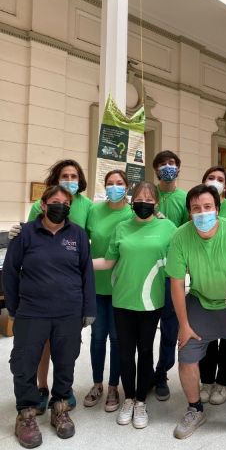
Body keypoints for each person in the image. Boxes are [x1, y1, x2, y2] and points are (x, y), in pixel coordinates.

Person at [166, 184, 226, 448]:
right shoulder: (180, 236)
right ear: (189, 212)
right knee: (186, 357)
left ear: (217, 210)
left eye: (208, 207)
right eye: (196, 208)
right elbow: (176, 283)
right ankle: (195, 409)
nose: (202, 213)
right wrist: (184, 325)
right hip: (200, 303)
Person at [3, 186, 96, 449]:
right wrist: (13, 306)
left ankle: (60, 406)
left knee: (66, 361)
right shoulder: (26, 234)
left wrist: (89, 309)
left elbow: (87, 273)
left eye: (66, 203)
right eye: (55, 202)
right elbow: (10, 271)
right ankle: (26, 413)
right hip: (32, 312)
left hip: (69, 313)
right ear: (43, 205)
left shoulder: (77, 234)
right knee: (24, 363)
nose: (61, 206)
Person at [93, 181, 177, 429]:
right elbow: (108, 262)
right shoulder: (121, 228)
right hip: (122, 299)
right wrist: (75, 260)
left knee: (146, 351)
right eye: (140, 198)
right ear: (132, 200)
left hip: (152, 302)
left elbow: (179, 260)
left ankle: (141, 401)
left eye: (149, 199)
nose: (144, 202)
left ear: (157, 203)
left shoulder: (168, 227)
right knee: (125, 352)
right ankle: (128, 398)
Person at [83, 170, 132, 412]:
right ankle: (97, 383)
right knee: (97, 336)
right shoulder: (94, 211)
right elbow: (81, 239)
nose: (114, 187)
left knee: (117, 339)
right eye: (110, 183)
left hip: (121, 288)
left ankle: (114, 386)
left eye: (119, 183)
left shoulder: (132, 213)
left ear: (127, 187)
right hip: (95, 285)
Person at [198, 166, 226, 405]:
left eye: (220, 179)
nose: (215, 181)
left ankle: (224, 382)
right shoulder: (197, 207)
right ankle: (206, 380)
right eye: (211, 178)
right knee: (205, 333)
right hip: (203, 279)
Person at [152, 150, 189, 401]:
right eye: (163, 164)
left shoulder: (185, 198)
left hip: (172, 274)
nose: (167, 167)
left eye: (172, 163)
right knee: (142, 328)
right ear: (155, 170)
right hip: (145, 272)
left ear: (178, 168)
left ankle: (162, 372)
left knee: (169, 327)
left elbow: (190, 232)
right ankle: (143, 372)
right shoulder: (147, 195)